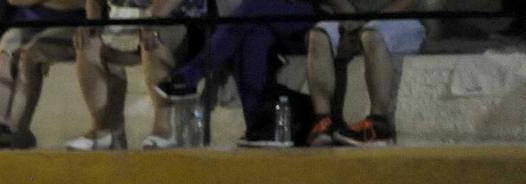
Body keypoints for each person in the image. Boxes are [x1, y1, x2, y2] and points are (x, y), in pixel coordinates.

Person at [155, 0, 316, 147]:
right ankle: (257, 126)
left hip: (310, 10)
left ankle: (190, 75)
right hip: (269, 15)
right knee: (252, 34)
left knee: (249, 11)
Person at [70, 0, 205, 149]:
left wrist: (150, 19)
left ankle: (163, 129)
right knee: (87, 41)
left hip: (177, 20)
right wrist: (92, 26)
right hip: (128, 21)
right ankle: (103, 130)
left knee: (154, 35)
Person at [304, 0, 423, 146]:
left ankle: (378, 125)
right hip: (356, 20)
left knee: (372, 34)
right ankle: (323, 122)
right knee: (318, 34)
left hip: (401, 19)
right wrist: (352, 19)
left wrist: (367, 23)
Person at [0, 0, 84, 149]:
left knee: (30, 54)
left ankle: (17, 129)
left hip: (70, 24)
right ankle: (0, 120)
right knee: (5, 52)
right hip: (27, 23)